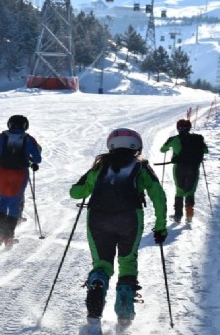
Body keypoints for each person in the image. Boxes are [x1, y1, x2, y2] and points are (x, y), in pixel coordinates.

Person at [69, 128, 167, 324]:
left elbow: (76, 193)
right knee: (127, 261)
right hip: (130, 218)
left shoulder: (100, 166)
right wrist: (160, 227)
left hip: (97, 218)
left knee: (102, 263)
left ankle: (97, 283)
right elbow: (158, 196)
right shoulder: (141, 167)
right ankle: (124, 308)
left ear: (111, 145)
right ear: (136, 146)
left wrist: (87, 185)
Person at [0, 115, 41, 248]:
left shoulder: (1, 136)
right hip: (19, 173)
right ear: (25, 125)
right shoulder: (29, 139)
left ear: (9, 124)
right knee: (14, 204)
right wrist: (30, 158)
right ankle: (8, 237)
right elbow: (38, 159)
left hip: (2, 172)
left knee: (3, 201)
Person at [160, 119, 209, 223]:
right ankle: (189, 215)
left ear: (178, 128)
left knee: (179, 190)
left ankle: (178, 216)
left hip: (179, 168)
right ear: (189, 128)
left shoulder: (173, 139)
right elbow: (206, 151)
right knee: (190, 191)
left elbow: (163, 149)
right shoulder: (197, 139)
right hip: (194, 168)